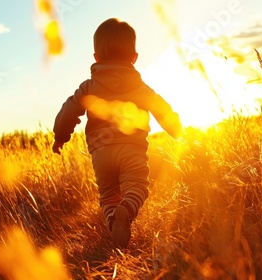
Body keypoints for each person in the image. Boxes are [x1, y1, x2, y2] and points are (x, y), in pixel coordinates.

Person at [52, 18, 182, 248]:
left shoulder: (88, 87)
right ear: (134, 57)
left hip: (100, 152)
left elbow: (68, 110)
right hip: (132, 148)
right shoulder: (139, 87)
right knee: (137, 187)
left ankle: (114, 221)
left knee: (109, 194)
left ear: (96, 58)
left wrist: (60, 137)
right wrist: (177, 131)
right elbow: (162, 109)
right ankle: (126, 211)